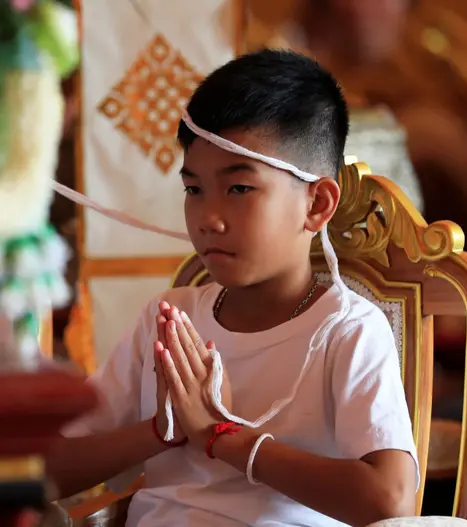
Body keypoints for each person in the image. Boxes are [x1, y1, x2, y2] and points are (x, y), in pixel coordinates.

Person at [47, 50, 418, 527]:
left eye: (239, 189)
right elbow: (46, 471)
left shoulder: (347, 331)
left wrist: (221, 436)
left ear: (317, 203)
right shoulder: (170, 320)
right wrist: (162, 431)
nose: (209, 219)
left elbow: (389, 500)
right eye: (194, 189)